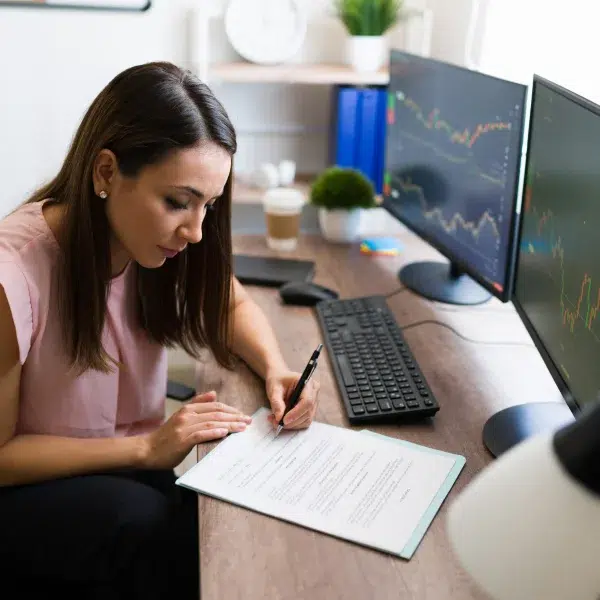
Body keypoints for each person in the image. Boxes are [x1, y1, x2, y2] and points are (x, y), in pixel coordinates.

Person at [0, 61, 320, 599]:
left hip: (126, 462)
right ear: (105, 173)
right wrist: (147, 449)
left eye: (209, 206)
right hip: (25, 486)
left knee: (215, 508)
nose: (196, 231)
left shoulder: (158, 242)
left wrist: (276, 369)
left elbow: (228, 301)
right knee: (154, 523)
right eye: (177, 202)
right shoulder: (14, 277)